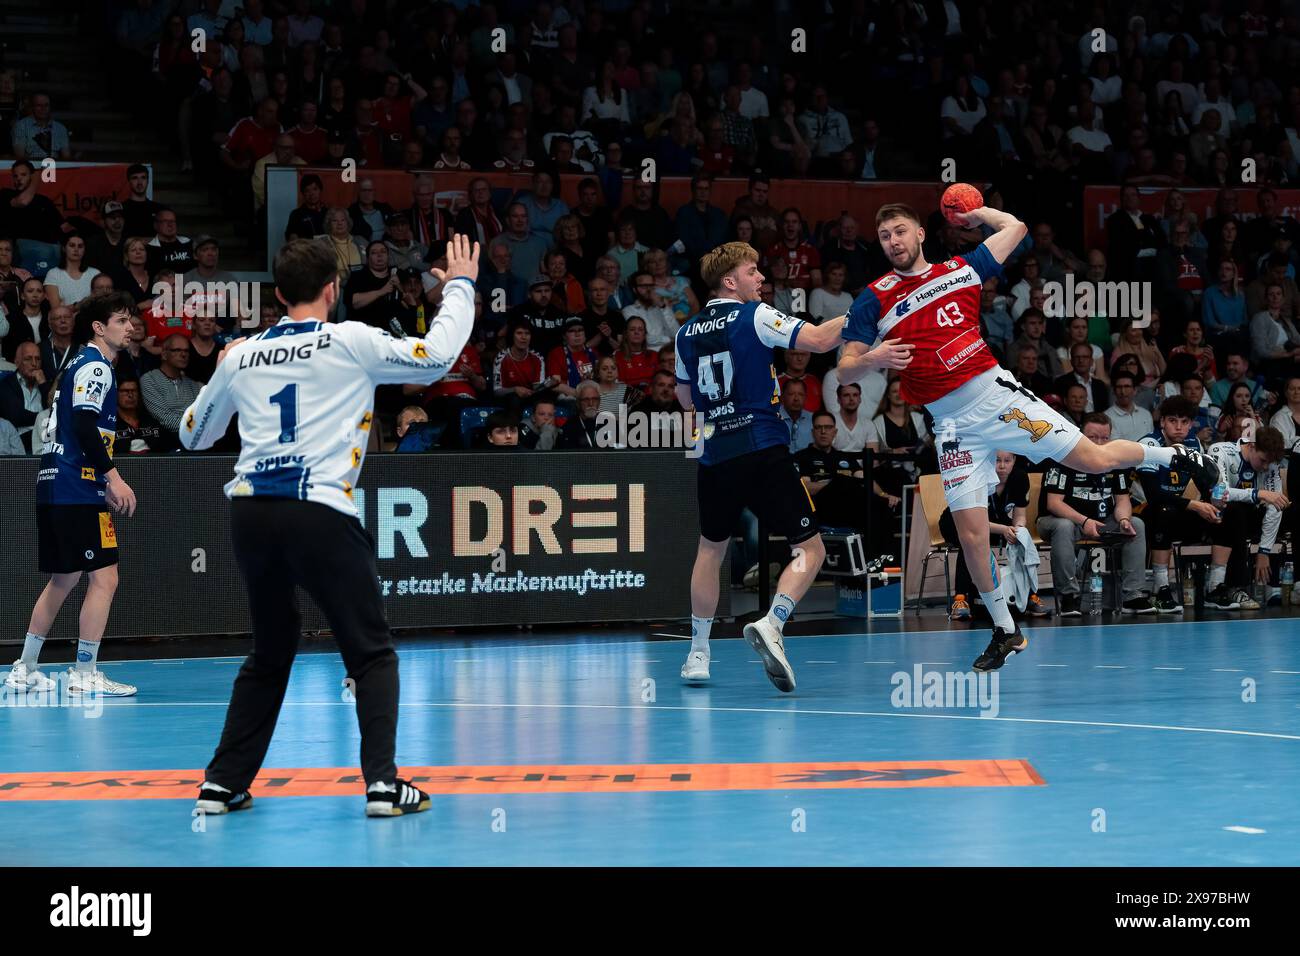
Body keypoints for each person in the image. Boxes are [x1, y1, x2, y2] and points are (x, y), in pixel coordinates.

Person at [837, 201, 1218, 672]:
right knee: (971, 535)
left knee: (1092, 460)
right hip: (952, 427)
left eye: (899, 231)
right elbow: (843, 369)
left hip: (998, 400)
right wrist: (872, 360)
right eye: (884, 237)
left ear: (919, 234)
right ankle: (1005, 629)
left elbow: (1015, 226)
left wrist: (974, 215)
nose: (893, 242)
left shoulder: (962, 269)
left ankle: (1171, 454)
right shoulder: (874, 297)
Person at [179, 233, 480, 819]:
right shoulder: (350, 340)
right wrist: (461, 287)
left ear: (277, 294)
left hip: (250, 513)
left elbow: (194, 434)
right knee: (370, 652)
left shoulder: (241, 354)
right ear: (332, 289)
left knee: (271, 648)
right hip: (317, 507)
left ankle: (221, 784)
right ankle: (383, 785)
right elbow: (437, 358)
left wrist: (221, 370)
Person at [674, 241, 890, 693]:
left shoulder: (685, 332)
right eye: (752, 272)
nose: (761, 279)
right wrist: (872, 304)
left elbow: (685, 399)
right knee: (810, 549)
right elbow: (818, 340)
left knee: (710, 550)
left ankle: (697, 653)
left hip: (714, 452)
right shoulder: (754, 315)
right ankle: (773, 622)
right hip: (762, 446)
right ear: (730, 281)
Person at [5, 292, 139, 697]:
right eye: (121, 320)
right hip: (75, 488)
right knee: (105, 578)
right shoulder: (96, 366)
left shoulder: (77, 365)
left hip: (58, 484)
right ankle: (83, 673)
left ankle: (25, 667)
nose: (130, 327)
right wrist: (112, 478)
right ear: (99, 328)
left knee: (64, 580)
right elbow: (83, 425)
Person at [941, 450, 1049, 621]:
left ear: (1014, 460)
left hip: (994, 524)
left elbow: (1020, 515)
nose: (1002, 466)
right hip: (958, 523)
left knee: (1023, 539)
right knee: (970, 541)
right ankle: (960, 599)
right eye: (997, 460)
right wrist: (1004, 530)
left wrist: (1018, 530)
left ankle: (1030, 596)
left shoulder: (1020, 477)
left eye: (1007, 460)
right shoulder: (977, 477)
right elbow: (974, 523)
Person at [1137, 397, 1215, 613]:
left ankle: (1217, 587)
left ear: (1191, 424)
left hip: (1177, 508)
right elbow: (1153, 495)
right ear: (1162, 422)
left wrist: (1212, 504)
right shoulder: (1149, 445)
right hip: (1143, 511)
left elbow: (1204, 482)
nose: (1179, 427)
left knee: (1221, 515)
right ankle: (1161, 589)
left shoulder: (1193, 443)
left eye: (1184, 422)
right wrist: (1195, 505)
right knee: (1163, 511)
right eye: (1173, 421)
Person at [1202, 428, 1291, 611]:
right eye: (1263, 461)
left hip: (1248, 518)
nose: (1266, 467)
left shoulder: (1271, 465)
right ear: (1251, 446)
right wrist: (1259, 493)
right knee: (1235, 511)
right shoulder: (1220, 451)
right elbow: (1219, 493)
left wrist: (1264, 551)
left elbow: (1276, 505)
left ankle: (1274, 587)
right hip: (1215, 515)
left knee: (1285, 507)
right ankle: (1233, 587)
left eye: (1270, 463)